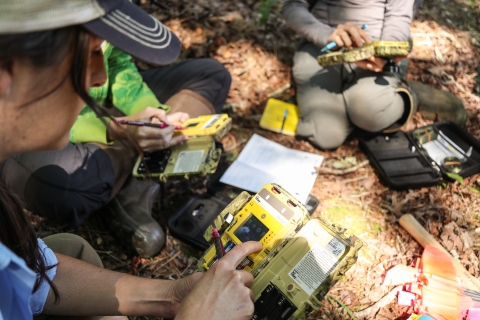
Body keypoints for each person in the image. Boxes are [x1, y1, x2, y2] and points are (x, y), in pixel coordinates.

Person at [0, 0, 260, 319]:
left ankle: (141, 162)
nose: (99, 76)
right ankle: (141, 165)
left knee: (210, 73)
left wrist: (170, 297)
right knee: (66, 185)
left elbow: (37, 276)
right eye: (88, 55)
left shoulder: (6, 221)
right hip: (83, 140)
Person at [282, 0, 416, 150]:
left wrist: (385, 52)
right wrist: (327, 34)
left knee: (371, 111)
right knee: (324, 135)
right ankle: (351, 110)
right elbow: (293, 5)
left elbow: (398, 16)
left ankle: (406, 99)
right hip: (322, 44)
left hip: (375, 45)